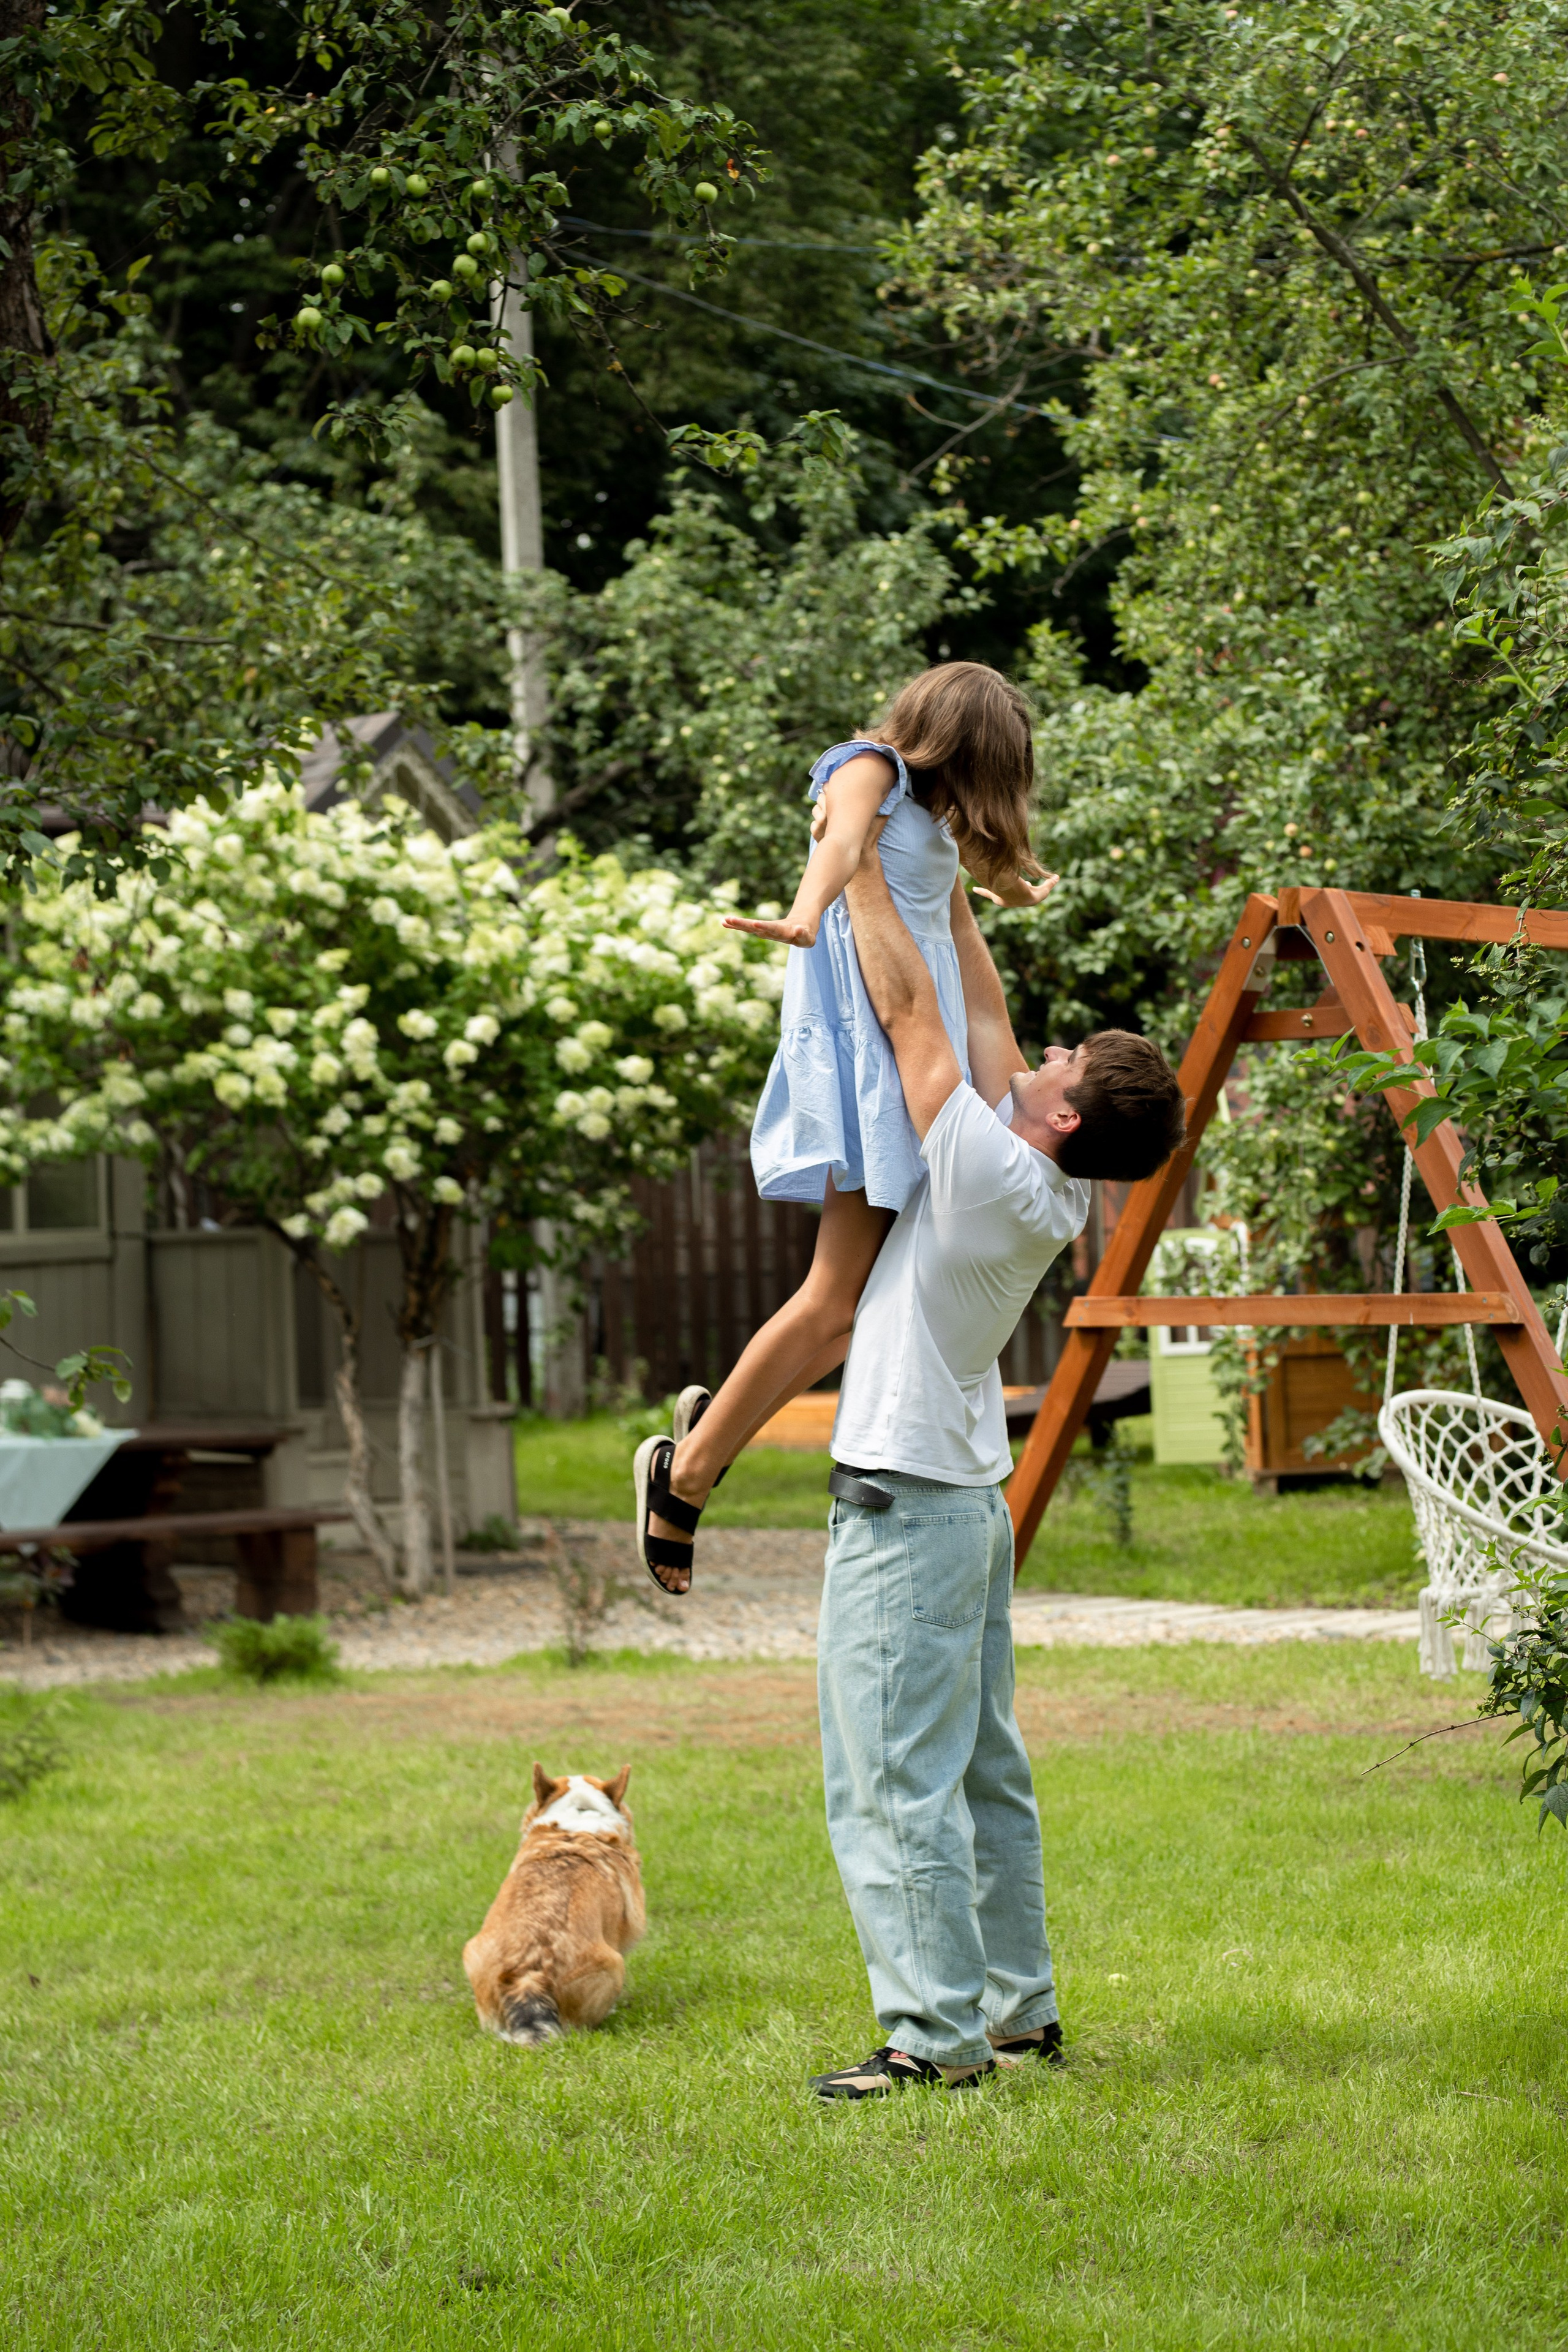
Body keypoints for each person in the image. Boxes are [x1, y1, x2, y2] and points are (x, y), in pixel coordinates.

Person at [649, 837, 1186, 2097]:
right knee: (984, 1775)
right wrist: (942, 876)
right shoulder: (1040, 1176)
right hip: (961, 1507)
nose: (1042, 1052)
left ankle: (931, 2041)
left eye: (1061, 1062)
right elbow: (978, 1004)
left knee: (890, 1782)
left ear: (1062, 1115)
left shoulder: (993, 1170)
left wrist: (857, 864)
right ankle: (1016, 2012)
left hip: (905, 1508)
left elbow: (913, 1017)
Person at [632, 662, 1055, 1597]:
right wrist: (804, 911)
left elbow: (963, 950)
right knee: (836, 1302)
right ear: (965, 748)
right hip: (875, 1064)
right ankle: (684, 1473)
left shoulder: (931, 824)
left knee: (851, 1304)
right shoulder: (866, 768)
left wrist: (1010, 890)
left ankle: (702, 1442)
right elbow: (844, 842)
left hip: (917, 1071)